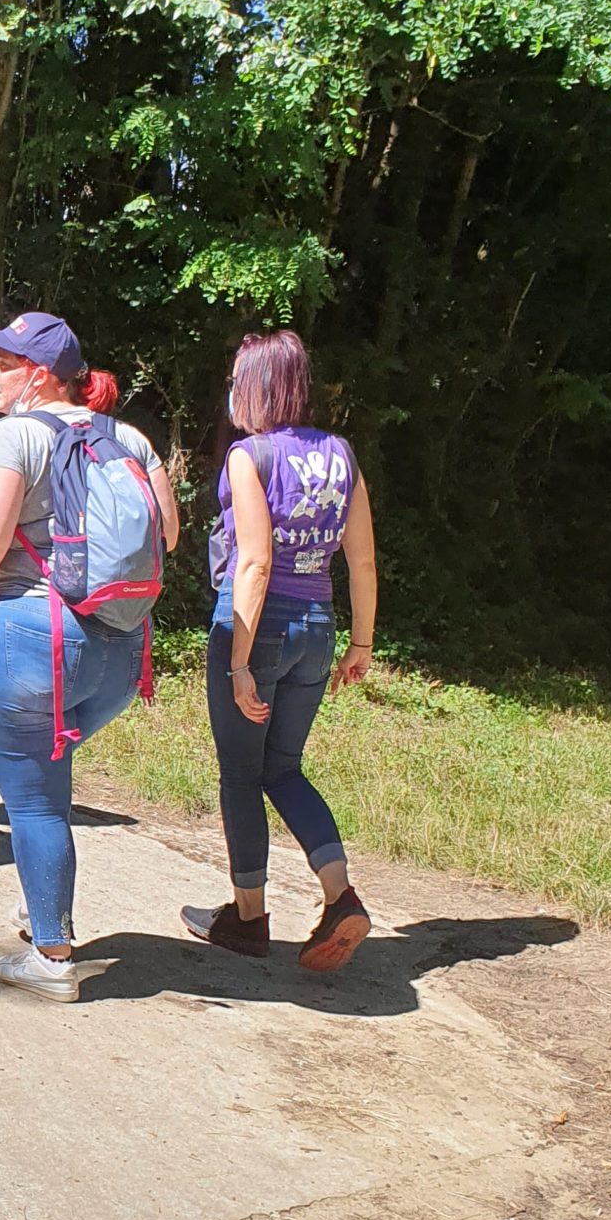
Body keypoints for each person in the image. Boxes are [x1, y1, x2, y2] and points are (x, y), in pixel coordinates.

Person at [0, 312, 180, 1001]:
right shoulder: (130, 438)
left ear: (39, 374)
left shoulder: (13, 436)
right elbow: (166, 532)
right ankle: (41, 900)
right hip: (118, 650)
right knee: (48, 786)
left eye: (4, 362)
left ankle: (52, 959)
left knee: (35, 805)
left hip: (31, 638)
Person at [184, 328, 376, 973]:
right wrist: (363, 641)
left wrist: (239, 662)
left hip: (258, 628)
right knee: (284, 769)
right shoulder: (342, 454)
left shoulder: (251, 455)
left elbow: (256, 564)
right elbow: (363, 559)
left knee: (242, 774)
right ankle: (339, 896)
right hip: (319, 627)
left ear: (256, 385)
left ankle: (248, 918)